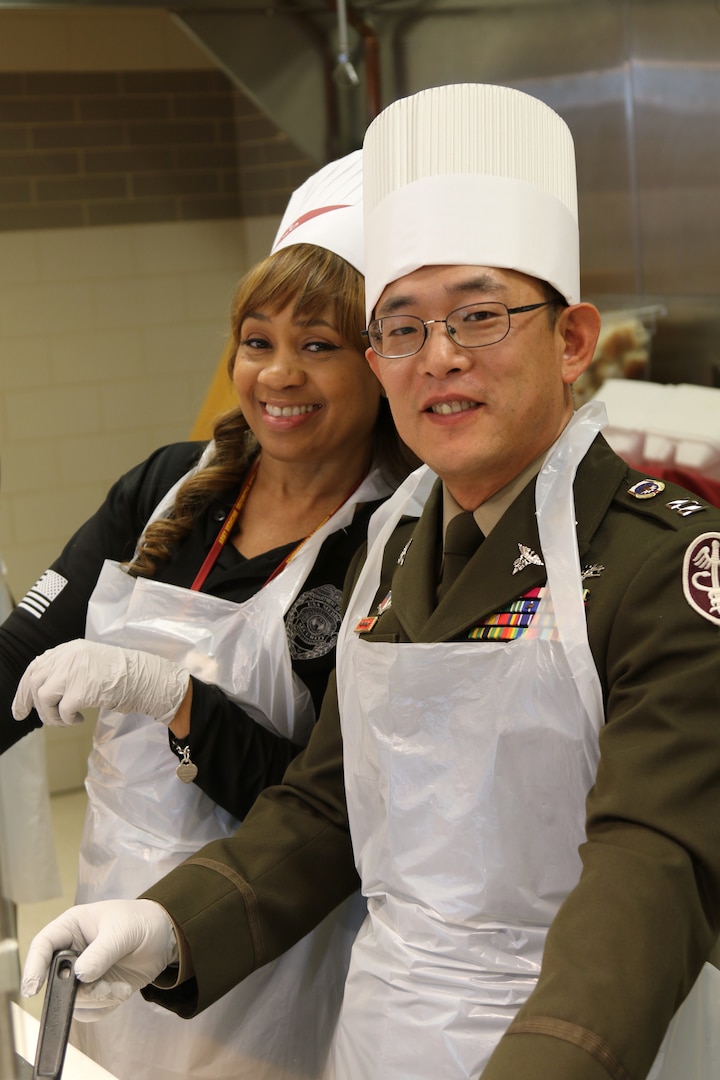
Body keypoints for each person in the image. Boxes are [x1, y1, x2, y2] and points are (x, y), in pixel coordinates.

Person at [20, 83, 720, 1080]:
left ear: (570, 343)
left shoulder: (660, 563)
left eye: (479, 315)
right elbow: (326, 807)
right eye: (402, 327)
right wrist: (165, 922)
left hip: (581, 1044)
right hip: (380, 1036)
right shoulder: (397, 549)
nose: (439, 358)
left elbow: (654, 863)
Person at [5, 151, 416, 1080]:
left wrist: (171, 697)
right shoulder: (168, 487)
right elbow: (21, 655)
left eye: (319, 345)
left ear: (379, 362)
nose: (278, 374)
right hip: (109, 917)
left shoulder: (396, 541)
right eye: (257, 340)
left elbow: (334, 809)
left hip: (272, 959)